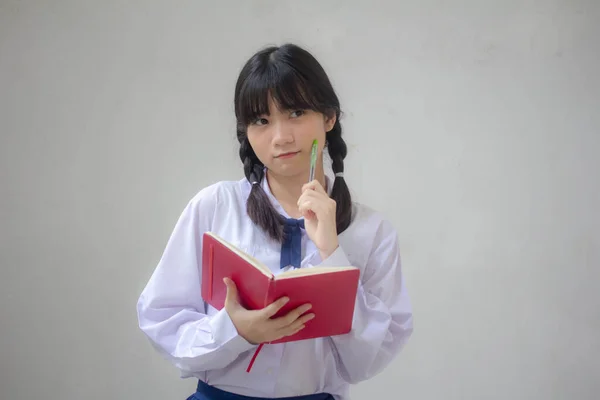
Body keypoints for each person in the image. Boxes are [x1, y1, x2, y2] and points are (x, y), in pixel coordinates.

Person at [136, 43, 413, 400]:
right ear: (246, 132)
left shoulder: (371, 231)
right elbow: (161, 319)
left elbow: (367, 361)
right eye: (261, 121)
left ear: (329, 117)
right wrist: (235, 330)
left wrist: (332, 254)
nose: (281, 137)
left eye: (296, 112)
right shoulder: (214, 206)